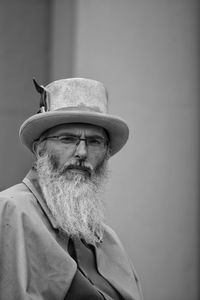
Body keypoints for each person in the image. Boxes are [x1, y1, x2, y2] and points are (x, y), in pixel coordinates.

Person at [0, 78, 143, 300]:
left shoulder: (106, 237)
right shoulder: (10, 209)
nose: (82, 152)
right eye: (68, 139)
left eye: (95, 142)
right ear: (40, 150)